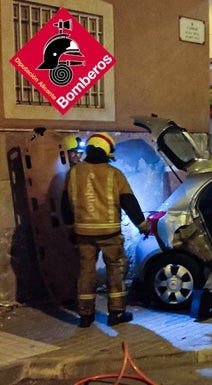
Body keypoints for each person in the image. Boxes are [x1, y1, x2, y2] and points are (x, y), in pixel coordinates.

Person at [63, 132, 149, 328]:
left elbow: (65, 203)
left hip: (83, 233)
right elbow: (129, 201)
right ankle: (116, 314)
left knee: (86, 272)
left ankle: (85, 315)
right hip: (110, 234)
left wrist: (70, 229)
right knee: (116, 270)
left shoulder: (74, 173)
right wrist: (143, 225)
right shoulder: (114, 174)